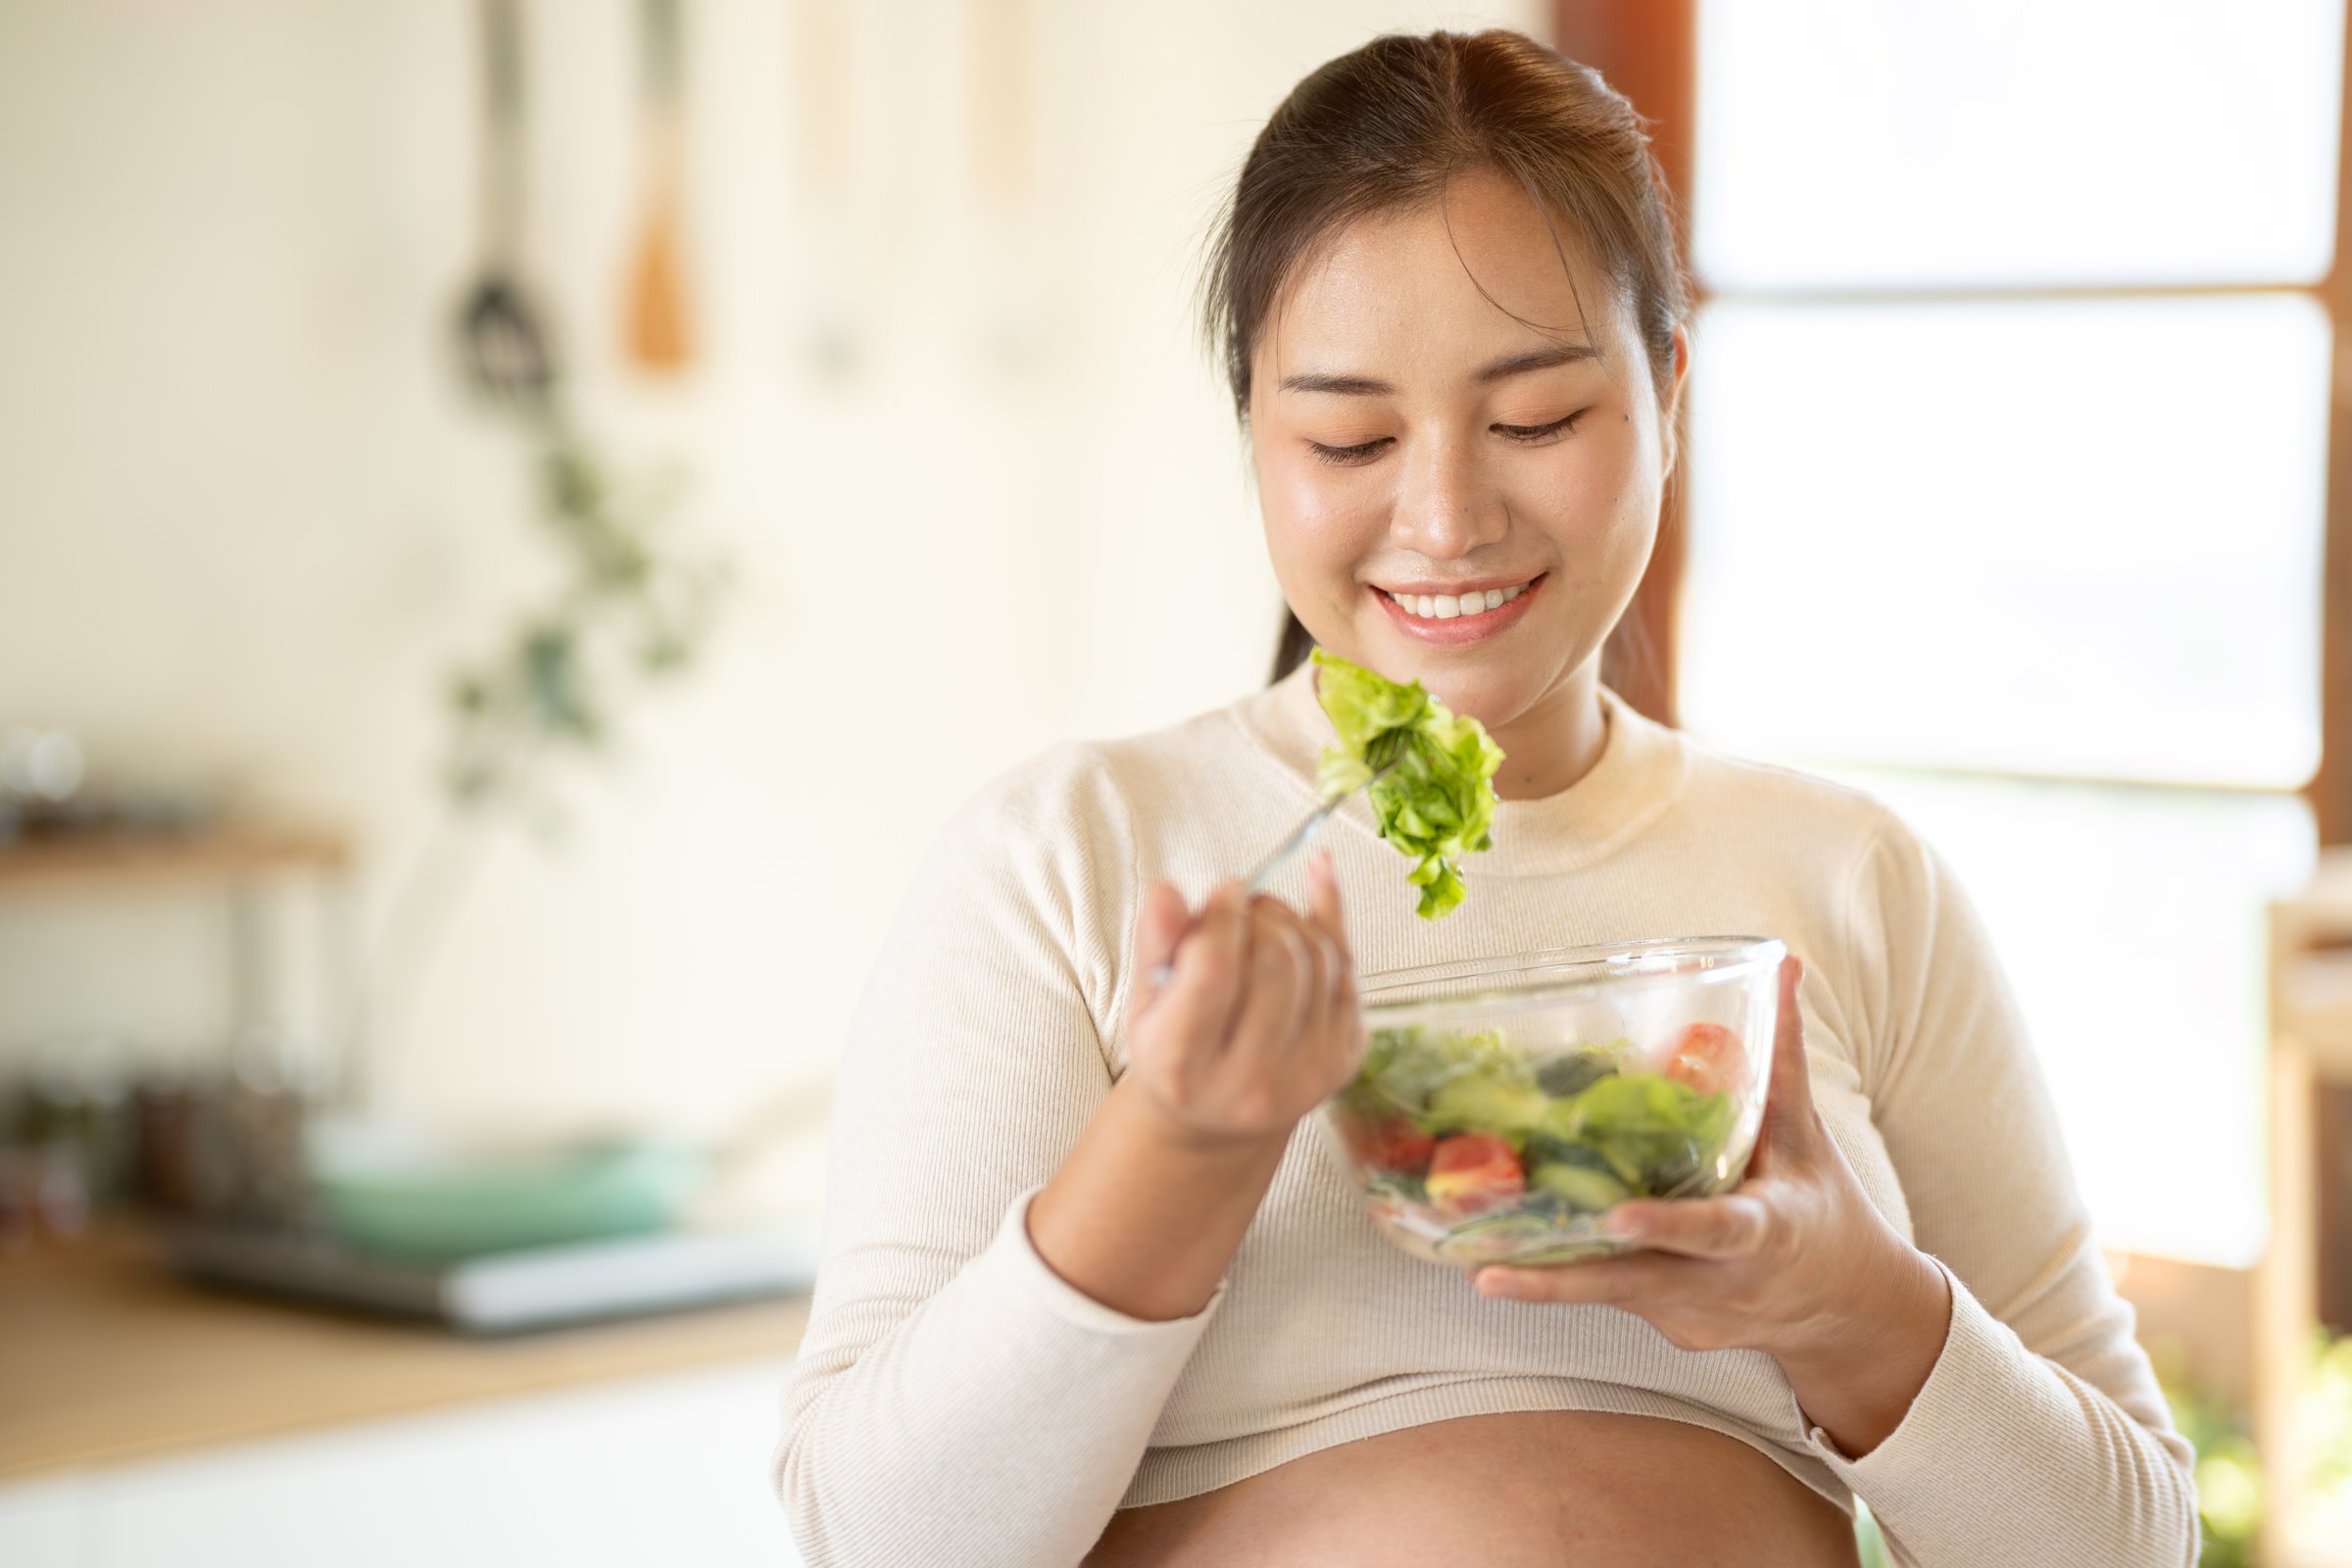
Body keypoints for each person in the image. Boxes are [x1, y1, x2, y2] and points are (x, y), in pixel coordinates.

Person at [773, 27, 2197, 1568]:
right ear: (1253, 426)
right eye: (1351, 438)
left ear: (1665, 389)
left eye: (1536, 421)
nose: (1446, 518)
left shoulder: (1847, 881)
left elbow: (2125, 1546)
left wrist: (1845, 1301)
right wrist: (1180, 1146)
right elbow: (881, 1542)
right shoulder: (1071, 862)